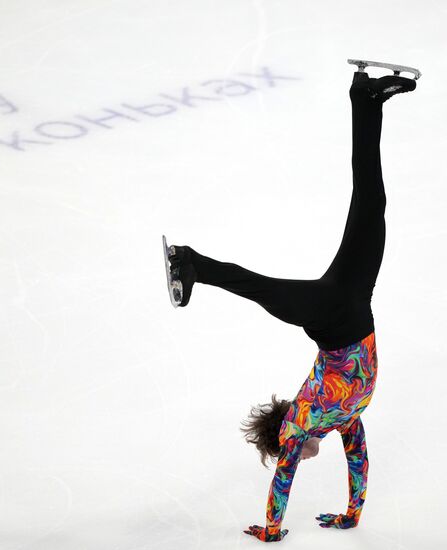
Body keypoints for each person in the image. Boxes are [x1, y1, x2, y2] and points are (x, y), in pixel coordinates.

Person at [164, 63, 418, 541]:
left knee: (264, 288)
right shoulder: (345, 420)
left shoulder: (300, 424)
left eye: (285, 449)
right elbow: (359, 461)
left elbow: (284, 475)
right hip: (353, 300)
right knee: (371, 202)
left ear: (283, 437)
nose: (291, 457)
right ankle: (365, 100)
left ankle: (189, 262)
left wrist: (273, 529)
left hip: (333, 318)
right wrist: (352, 514)